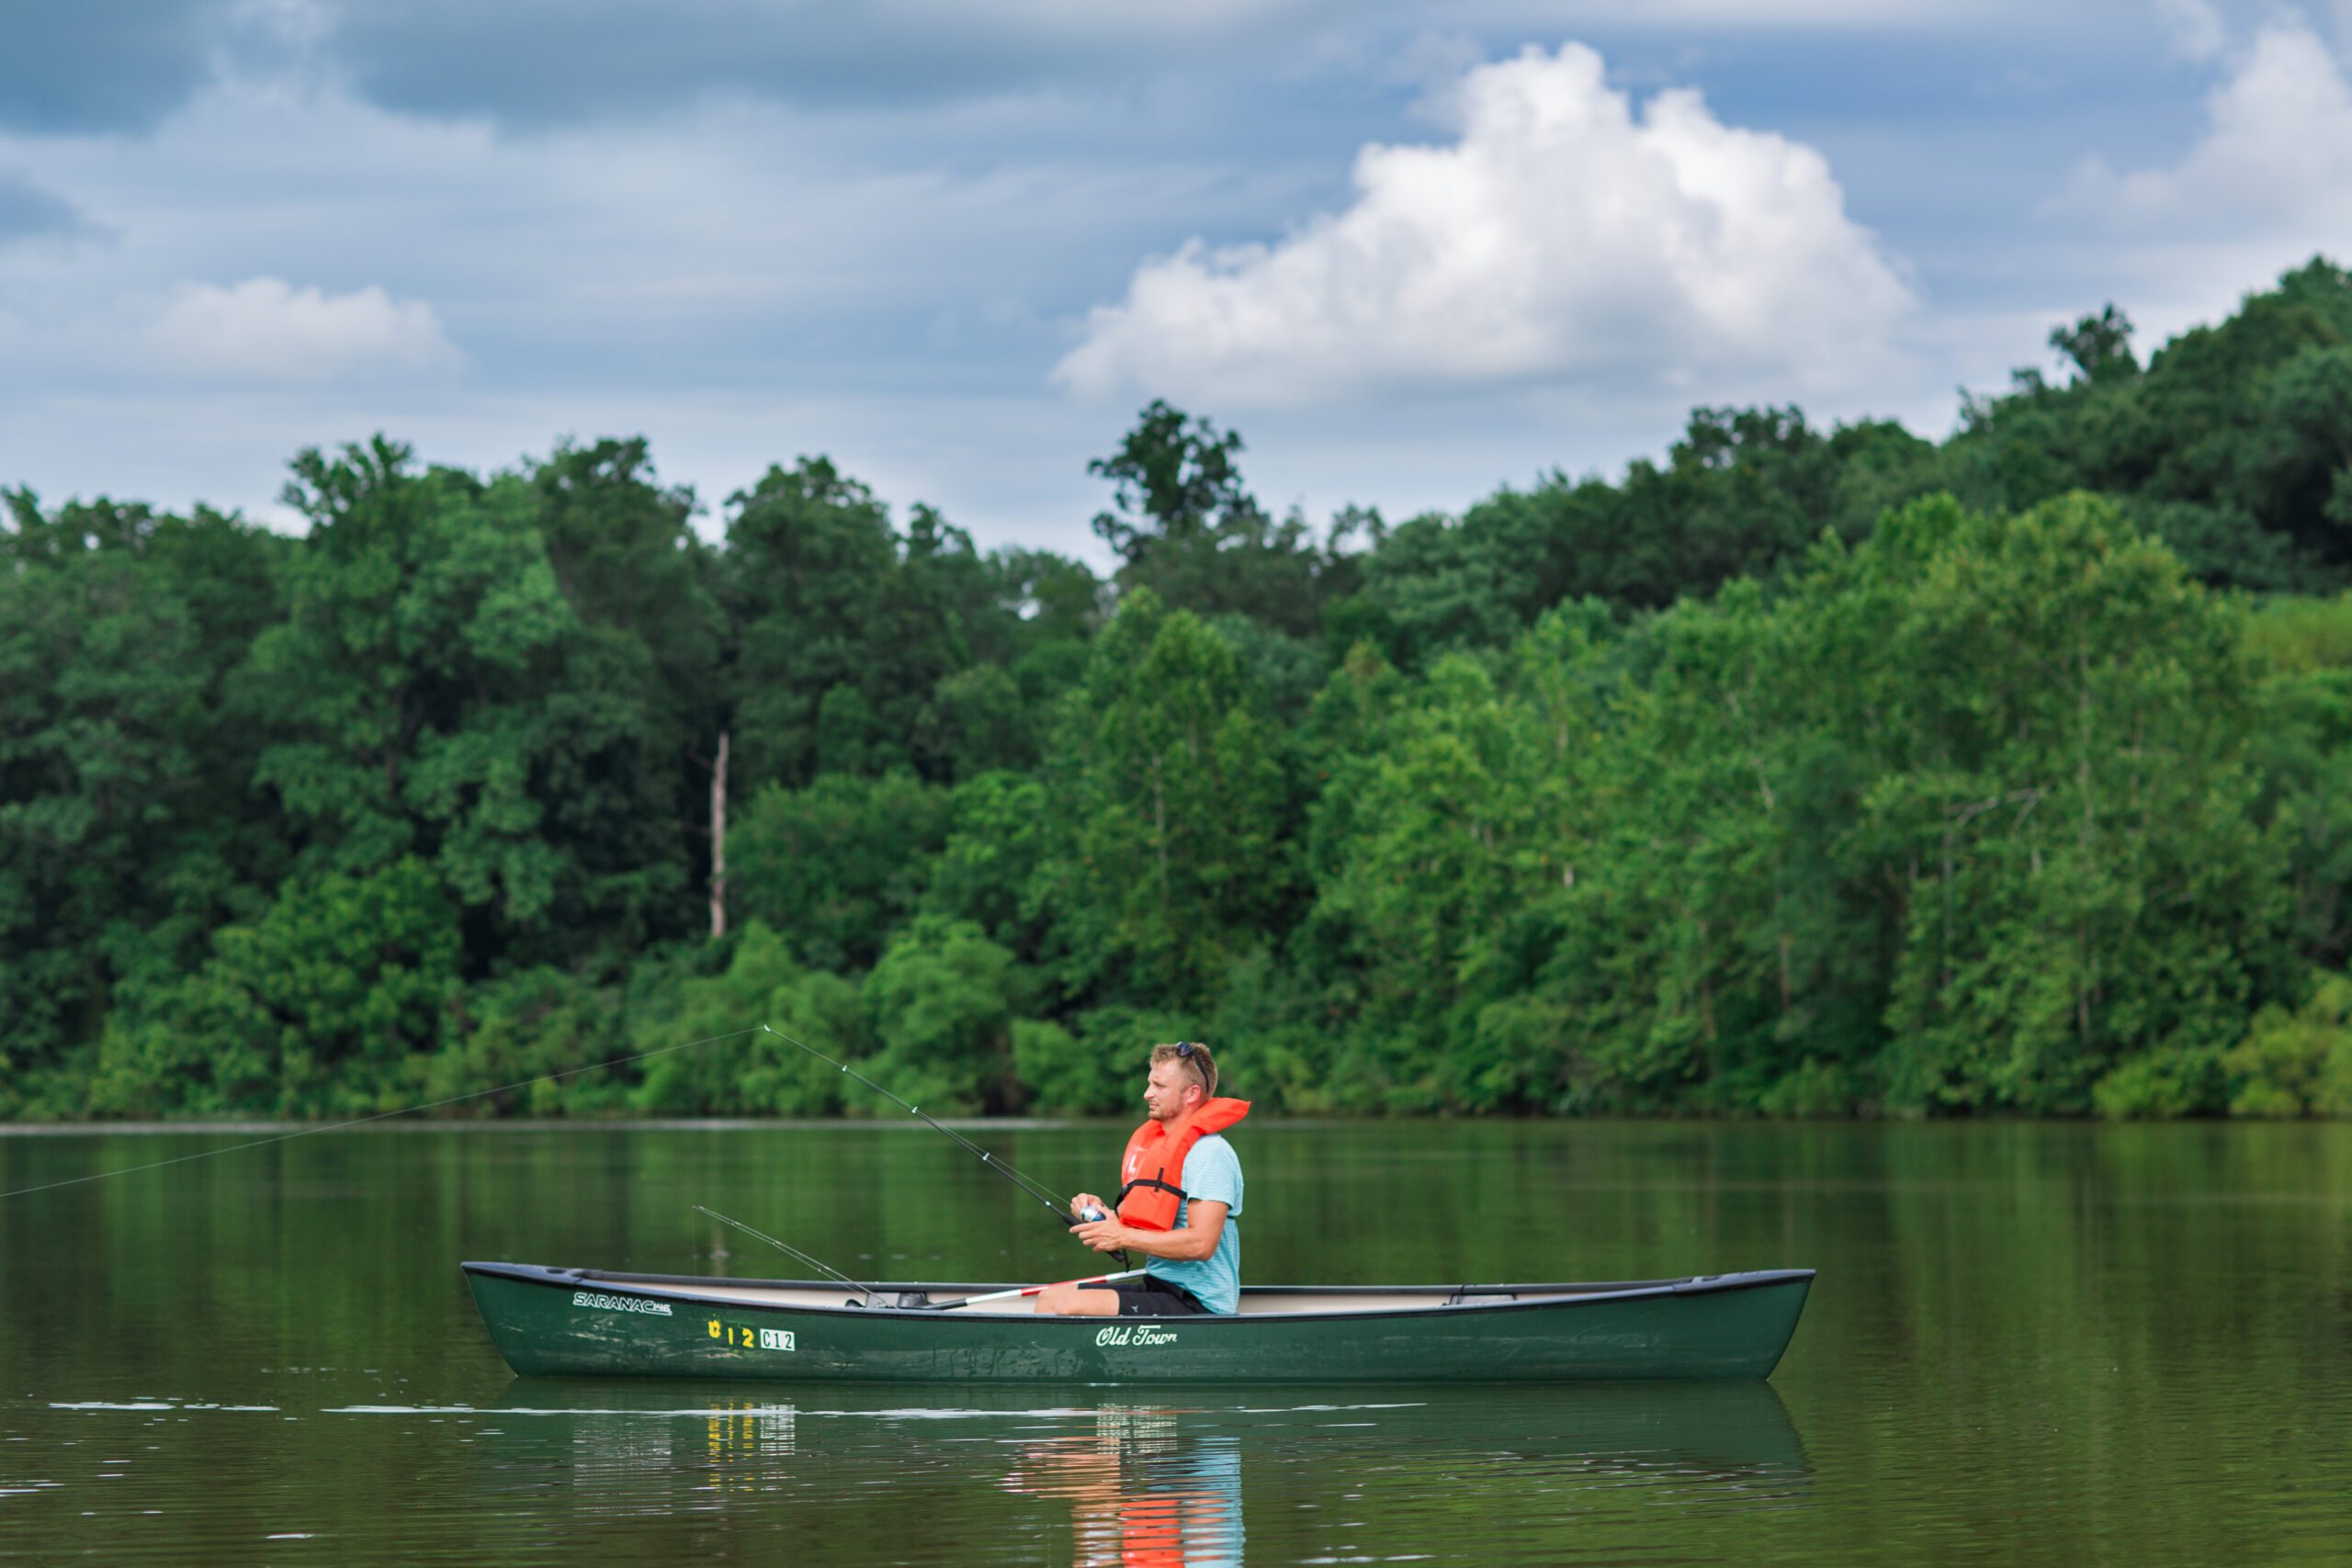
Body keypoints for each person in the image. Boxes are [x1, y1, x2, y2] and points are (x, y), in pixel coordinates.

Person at [1034, 1042, 1248, 1317]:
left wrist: (1121, 1235)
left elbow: (1201, 1244)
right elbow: (1146, 1225)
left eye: (1159, 1086)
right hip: (1160, 1286)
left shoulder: (1210, 1154)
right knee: (1050, 1299)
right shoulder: (1158, 1149)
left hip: (1198, 1303)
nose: (1147, 1094)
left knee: (1073, 1307)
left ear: (1192, 1094)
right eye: (1150, 1084)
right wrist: (1102, 1217)